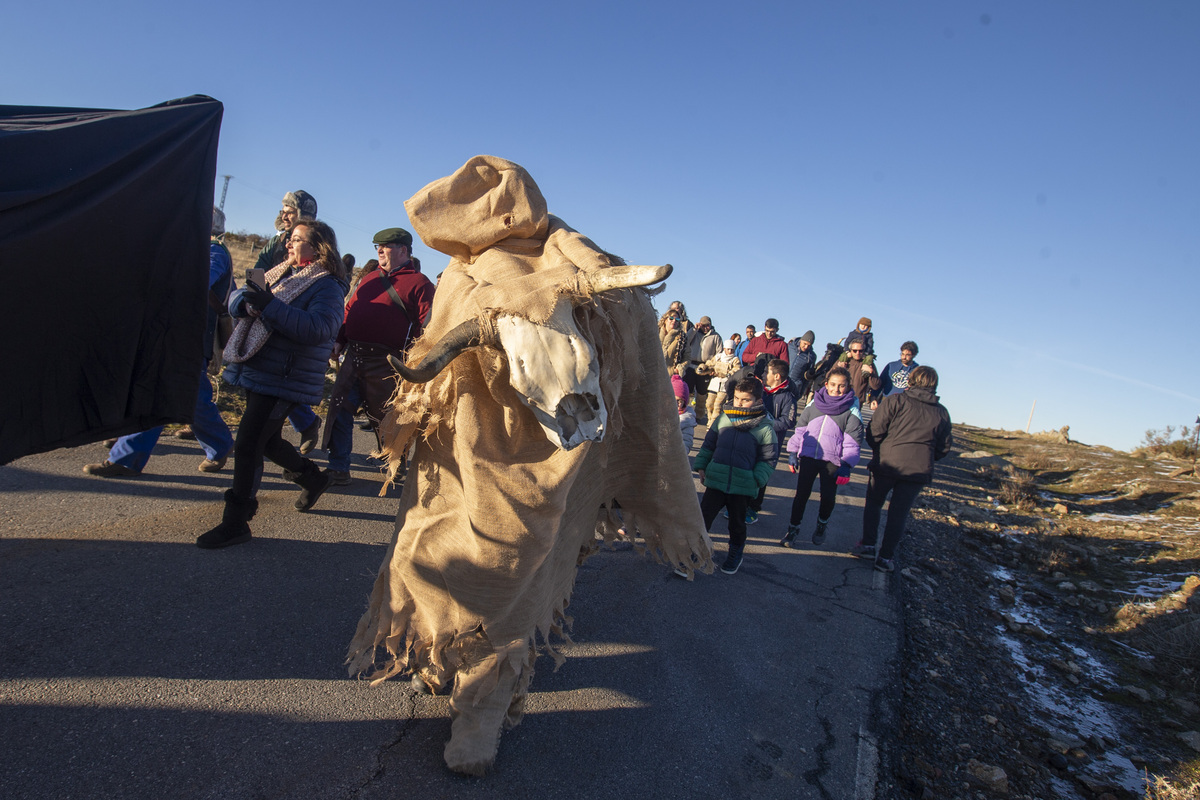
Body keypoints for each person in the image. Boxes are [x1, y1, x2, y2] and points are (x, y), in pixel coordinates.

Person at [197, 219, 346, 549]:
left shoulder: (328, 286)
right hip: (260, 368)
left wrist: (269, 305)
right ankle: (313, 478)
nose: (289, 245)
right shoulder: (281, 272)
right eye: (289, 240)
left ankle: (235, 522)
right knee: (267, 442)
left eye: (297, 239)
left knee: (249, 442)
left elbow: (320, 328)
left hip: (284, 376)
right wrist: (248, 301)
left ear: (318, 246)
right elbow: (236, 301)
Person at [85, 208, 235, 478]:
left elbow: (197, 282)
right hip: (173, 333)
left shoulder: (215, 251)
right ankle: (221, 443)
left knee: (161, 394)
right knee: (191, 398)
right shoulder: (190, 249)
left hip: (188, 336)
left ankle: (127, 457)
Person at [323, 227, 435, 485]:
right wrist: (340, 339)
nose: (379, 251)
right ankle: (338, 466)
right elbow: (349, 311)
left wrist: (417, 361)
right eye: (377, 247)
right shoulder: (369, 278)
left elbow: (429, 326)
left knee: (386, 420)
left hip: (389, 364)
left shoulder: (420, 284)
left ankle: (395, 461)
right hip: (355, 357)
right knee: (340, 409)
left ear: (403, 250)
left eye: (385, 247)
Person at [853, 366, 952, 572]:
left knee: (874, 504)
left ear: (912, 380)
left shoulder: (895, 401)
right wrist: (926, 457)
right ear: (934, 385)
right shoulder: (941, 412)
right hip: (917, 471)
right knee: (899, 514)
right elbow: (943, 447)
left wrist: (880, 450)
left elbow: (875, 429)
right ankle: (885, 557)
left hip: (887, 463)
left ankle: (868, 545)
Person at [252, 190, 324, 454]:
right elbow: (257, 273)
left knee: (280, 386)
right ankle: (305, 424)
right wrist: (253, 301)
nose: (284, 215)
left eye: (290, 211)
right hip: (265, 317)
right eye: (283, 209)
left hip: (293, 325)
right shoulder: (275, 242)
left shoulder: (316, 242)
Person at [693, 377, 776, 575]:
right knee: (703, 518)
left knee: (737, 524)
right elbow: (709, 445)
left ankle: (735, 553)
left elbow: (768, 459)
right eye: (737, 398)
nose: (739, 403)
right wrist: (702, 466)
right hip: (716, 481)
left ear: (758, 401)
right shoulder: (723, 418)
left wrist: (756, 479)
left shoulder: (764, 427)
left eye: (745, 399)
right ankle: (695, 551)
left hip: (743, 486)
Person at [781, 367, 863, 547]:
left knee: (827, 497)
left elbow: (852, 442)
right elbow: (800, 430)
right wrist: (793, 453)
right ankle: (792, 530)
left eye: (842, 386)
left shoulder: (851, 410)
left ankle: (821, 525)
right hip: (809, 456)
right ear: (826, 384)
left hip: (833, 462)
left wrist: (846, 464)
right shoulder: (814, 404)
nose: (836, 389)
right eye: (833, 385)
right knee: (801, 495)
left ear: (848, 387)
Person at [747, 359, 798, 525]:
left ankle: (753, 508)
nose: (763, 375)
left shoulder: (788, 396)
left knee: (760, 476)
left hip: (770, 444)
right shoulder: (760, 390)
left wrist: (765, 423)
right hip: (752, 439)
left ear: (776, 376)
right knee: (746, 470)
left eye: (767, 372)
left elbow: (788, 421)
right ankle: (739, 504)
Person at [689, 315, 722, 424]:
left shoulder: (716, 336)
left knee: (702, 392)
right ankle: (685, 412)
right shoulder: (695, 333)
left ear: (710, 325)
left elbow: (719, 354)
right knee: (688, 389)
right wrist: (694, 329)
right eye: (703, 325)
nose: (705, 328)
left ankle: (699, 414)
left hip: (706, 367)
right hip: (691, 364)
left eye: (707, 326)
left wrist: (714, 368)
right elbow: (686, 340)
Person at [701, 338, 741, 423]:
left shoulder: (735, 360)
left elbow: (737, 370)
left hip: (725, 386)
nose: (730, 351)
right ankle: (710, 419)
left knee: (717, 405)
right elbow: (710, 365)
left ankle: (712, 424)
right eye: (728, 349)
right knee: (709, 404)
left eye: (732, 349)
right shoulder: (718, 357)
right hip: (714, 384)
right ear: (724, 349)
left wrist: (725, 373)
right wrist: (705, 368)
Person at [842, 340, 882, 408]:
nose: (858, 353)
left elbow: (875, 386)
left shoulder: (868, 363)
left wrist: (871, 373)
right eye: (855, 350)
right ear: (850, 351)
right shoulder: (844, 361)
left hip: (856, 403)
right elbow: (828, 376)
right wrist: (838, 367)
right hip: (841, 400)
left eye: (860, 351)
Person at [786, 330, 817, 402]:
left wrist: (802, 391)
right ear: (801, 340)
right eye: (805, 343)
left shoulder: (812, 356)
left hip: (795, 386)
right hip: (783, 381)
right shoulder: (790, 347)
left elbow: (807, 377)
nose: (806, 347)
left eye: (809, 345)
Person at [672, 374, 696, 452]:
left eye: (679, 401)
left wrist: (680, 454)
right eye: (673, 399)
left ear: (685, 402)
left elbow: (687, 441)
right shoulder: (661, 413)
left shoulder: (687, 420)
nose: (676, 403)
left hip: (674, 456)